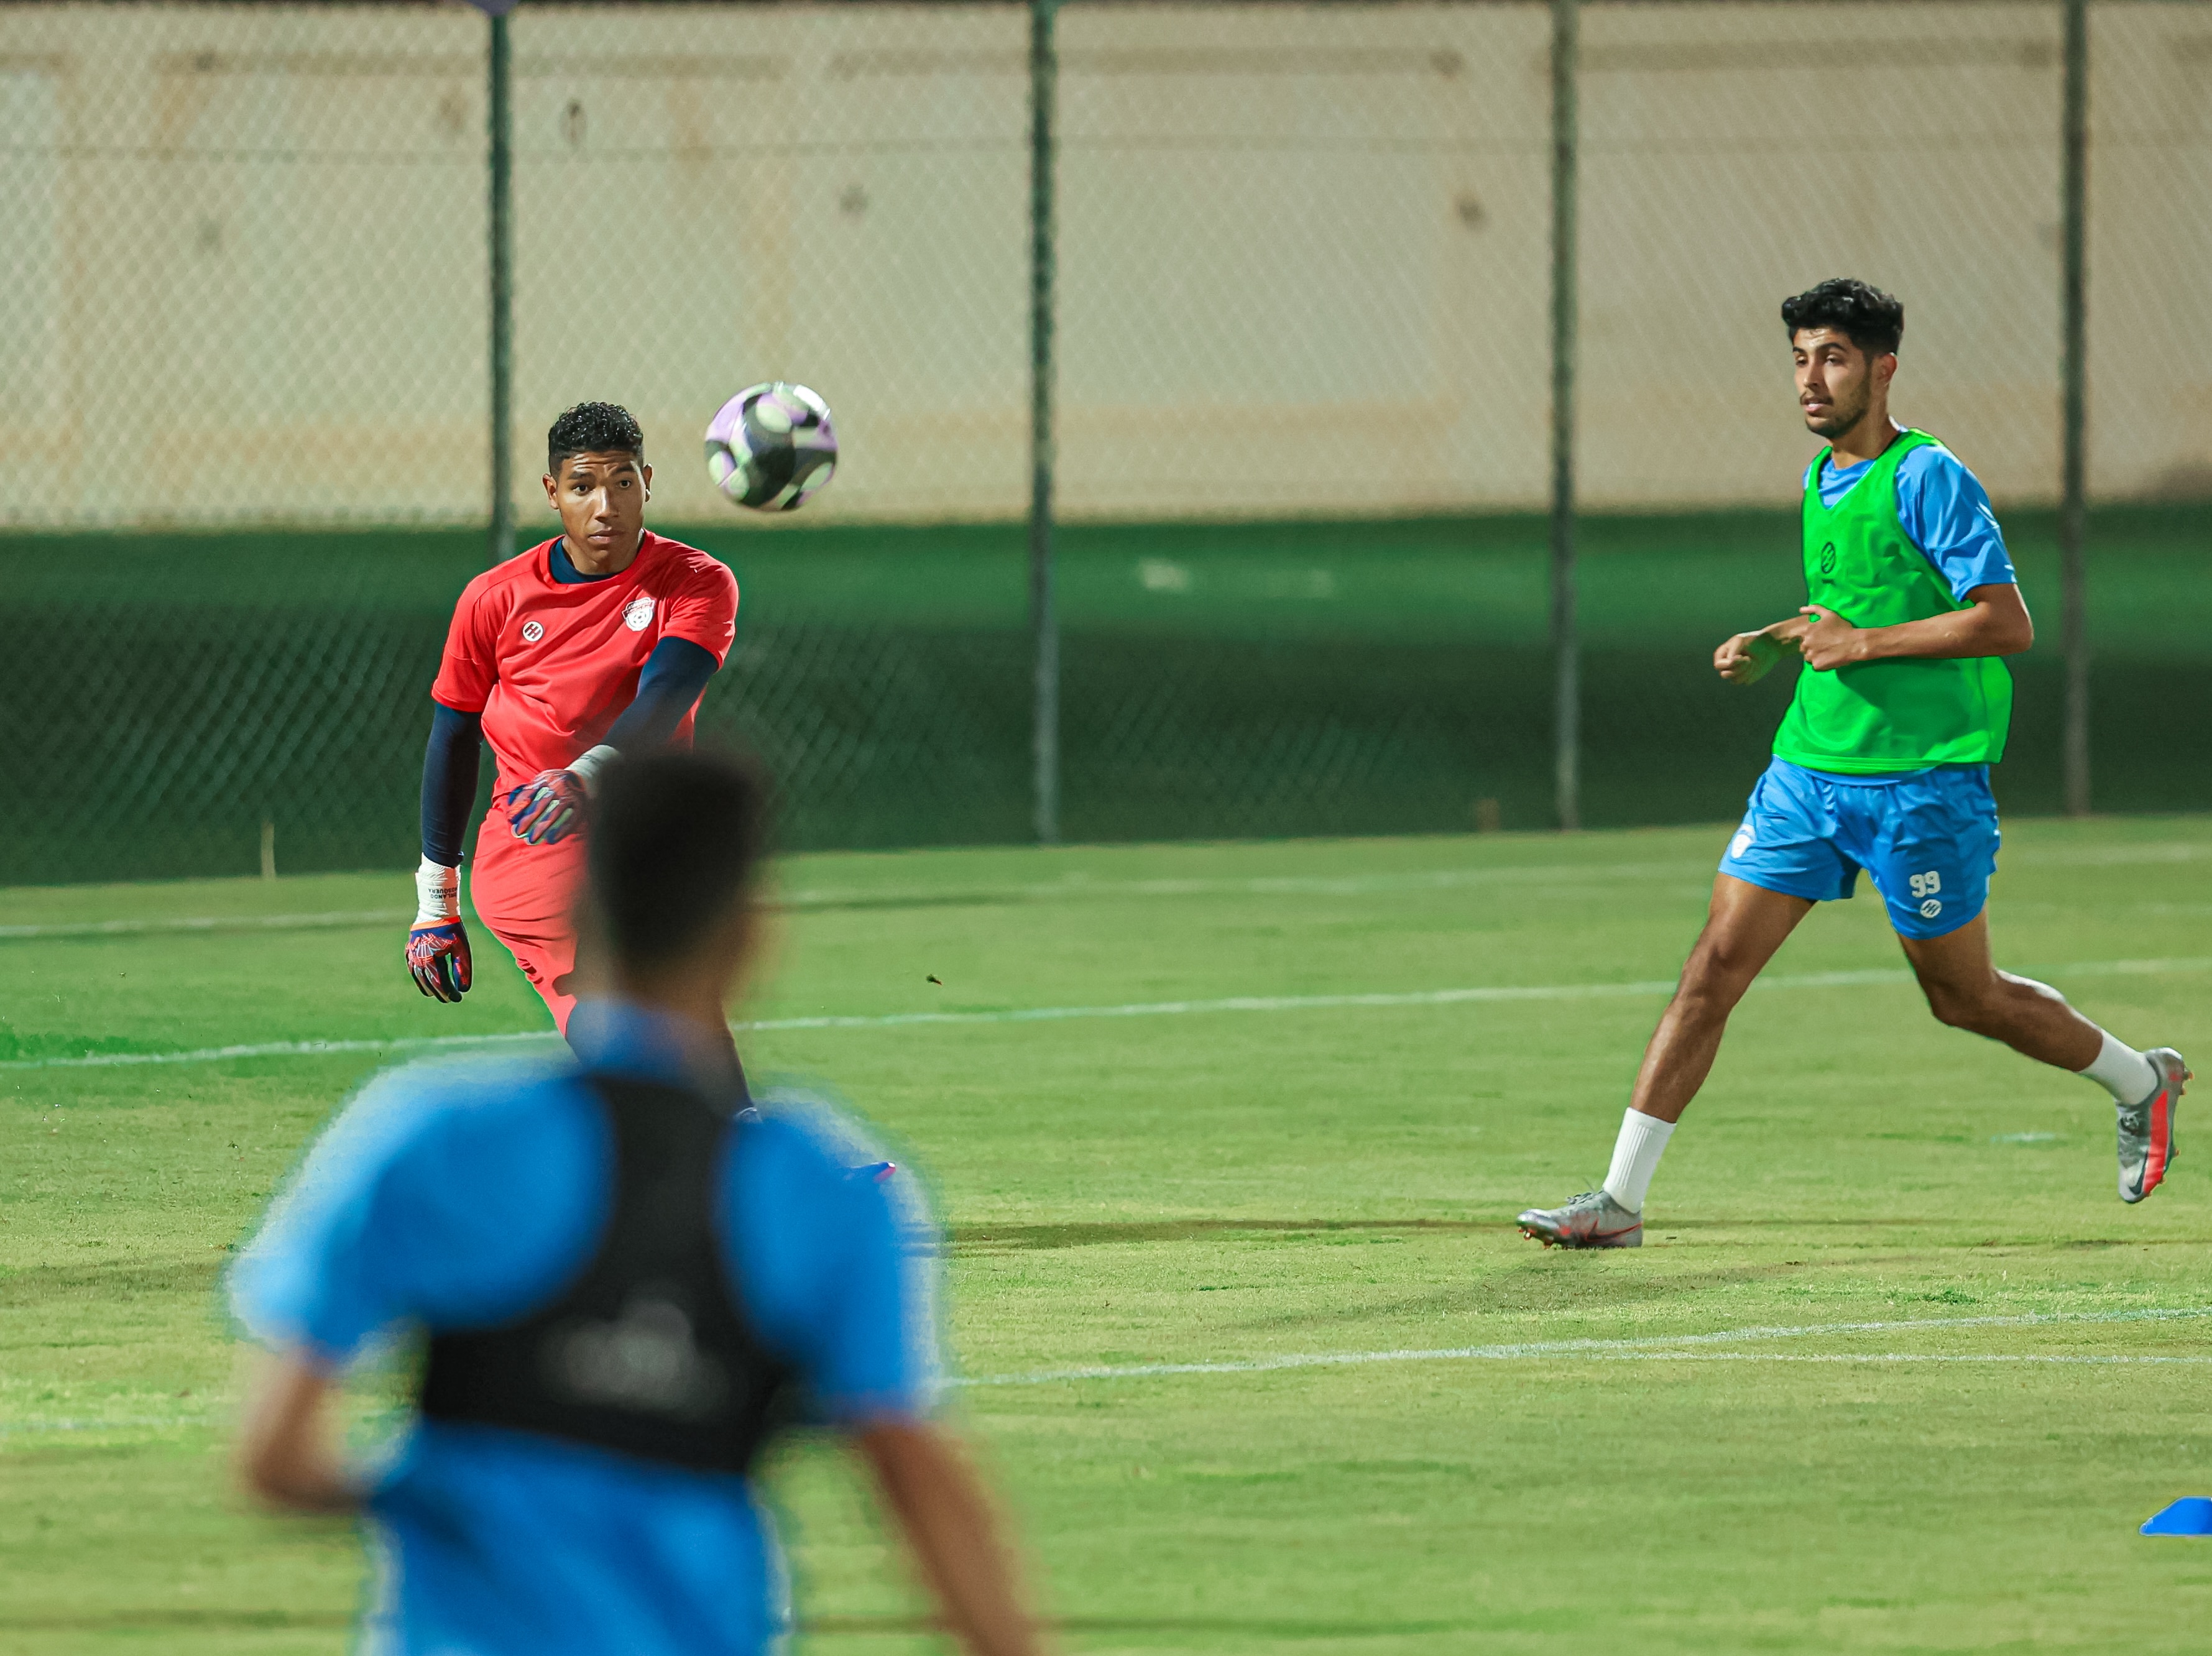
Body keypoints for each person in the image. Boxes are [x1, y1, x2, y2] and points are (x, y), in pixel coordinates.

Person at [233, 749, 1048, 1656]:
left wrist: (451, 1496)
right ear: (750, 934)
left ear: (580, 912)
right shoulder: (823, 1189)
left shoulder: (430, 1134)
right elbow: (914, 1478)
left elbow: (273, 1459)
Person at [1515, 278, 2188, 1249]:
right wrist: (1776, 636)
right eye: (1798, 358)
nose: (1809, 379)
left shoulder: (1928, 477)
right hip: (1808, 773)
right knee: (1711, 969)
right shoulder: (1817, 480)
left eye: (1830, 357)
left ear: (1882, 368)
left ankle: (2140, 1080)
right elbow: (1847, 610)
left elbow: (2006, 624)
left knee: (1963, 999)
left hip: (1922, 785)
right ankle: (1617, 1201)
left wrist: (1861, 648)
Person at [408, 401, 737, 1038]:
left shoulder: (695, 581)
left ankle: (718, 1131)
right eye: (583, 487)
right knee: (633, 1019)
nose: (605, 506)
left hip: (635, 832)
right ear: (553, 493)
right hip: (539, 841)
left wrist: (586, 775)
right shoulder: (494, 599)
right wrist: (435, 902)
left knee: (678, 1019)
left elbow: (667, 692)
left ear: (648, 482)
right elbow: (452, 735)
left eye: (622, 483)